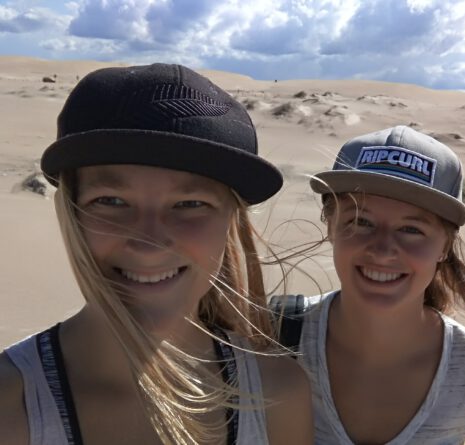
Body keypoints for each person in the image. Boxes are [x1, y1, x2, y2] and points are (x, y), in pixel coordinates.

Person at [0, 63, 313, 445]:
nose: (148, 243)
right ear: (71, 212)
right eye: (111, 201)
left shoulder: (276, 394)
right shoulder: (10, 405)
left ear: (231, 223)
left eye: (190, 204)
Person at [274, 125, 465, 444]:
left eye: (411, 229)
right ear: (331, 227)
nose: (383, 250)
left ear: (445, 246)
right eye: (361, 222)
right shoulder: (266, 336)